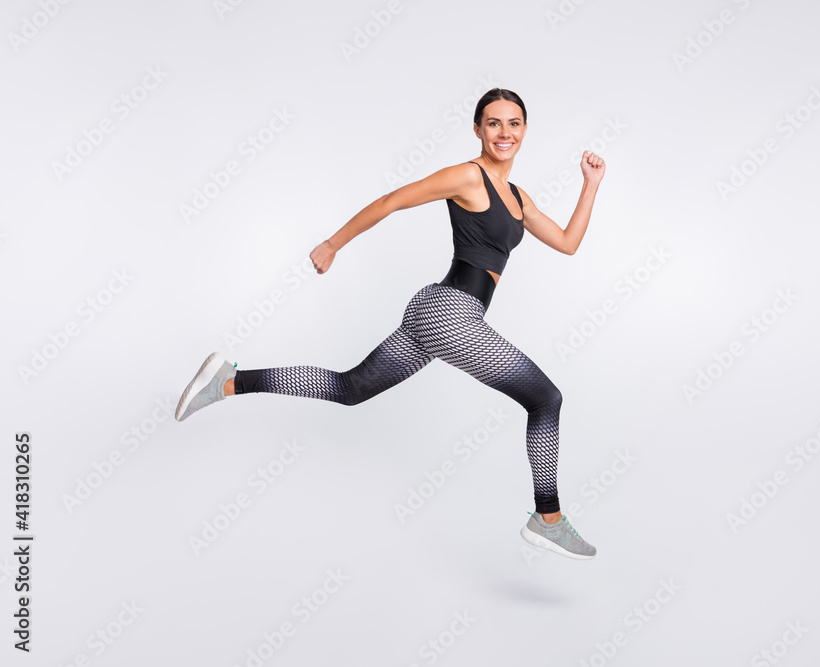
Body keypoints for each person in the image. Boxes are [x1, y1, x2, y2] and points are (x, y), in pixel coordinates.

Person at [175, 87, 605, 560]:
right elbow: (394, 199)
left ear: (524, 130)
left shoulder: (518, 198)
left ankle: (227, 381)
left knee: (350, 388)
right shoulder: (467, 176)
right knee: (546, 397)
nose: (504, 132)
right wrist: (333, 243)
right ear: (478, 129)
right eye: (494, 122)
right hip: (450, 312)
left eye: (514, 123)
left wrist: (589, 185)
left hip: (441, 312)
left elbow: (567, 242)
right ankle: (548, 520)